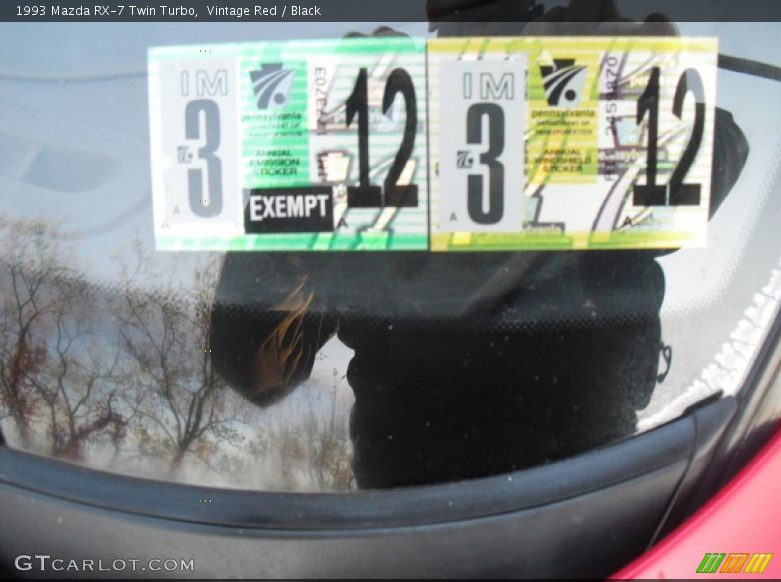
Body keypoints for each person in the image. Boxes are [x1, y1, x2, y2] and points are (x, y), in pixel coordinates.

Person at [210, 0, 749, 489]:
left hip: (594, 487)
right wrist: (306, 156)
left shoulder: (577, 80)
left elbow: (711, 165)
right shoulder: (383, 124)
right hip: (429, 508)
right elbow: (255, 366)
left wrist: (632, 83)